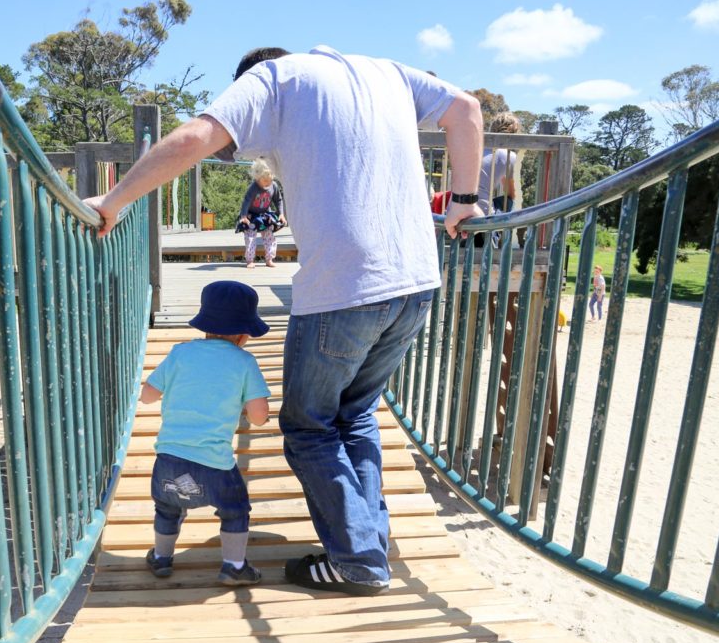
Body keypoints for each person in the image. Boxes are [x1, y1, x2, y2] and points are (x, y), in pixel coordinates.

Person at [84, 45, 483, 596]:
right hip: (417, 283)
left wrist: (116, 198)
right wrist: (464, 199)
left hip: (344, 291)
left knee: (308, 427)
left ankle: (358, 562)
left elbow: (197, 137)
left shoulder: (271, 80)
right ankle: (365, 542)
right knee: (357, 414)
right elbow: (466, 108)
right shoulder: (384, 70)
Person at [140, 280, 272, 586]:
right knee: (235, 509)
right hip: (215, 466)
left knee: (168, 508)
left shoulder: (180, 354)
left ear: (205, 326)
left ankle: (161, 559)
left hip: (168, 460)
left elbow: (147, 395)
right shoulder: (244, 362)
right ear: (243, 335)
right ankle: (234, 566)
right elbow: (259, 416)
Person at [476, 112, 522, 248]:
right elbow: (512, 194)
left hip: (457, 208)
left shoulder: (477, 148)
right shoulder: (508, 156)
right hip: (483, 214)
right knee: (508, 202)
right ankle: (507, 239)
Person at [237, 158, 287, 268]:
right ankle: (250, 260)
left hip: (265, 215)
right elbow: (246, 201)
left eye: (269, 180)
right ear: (258, 177)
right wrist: (244, 216)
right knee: (250, 237)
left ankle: (269, 258)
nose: (267, 183)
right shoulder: (253, 187)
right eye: (265, 181)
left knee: (269, 236)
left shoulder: (273, 186)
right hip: (251, 216)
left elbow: (278, 200)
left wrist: (281, 214)